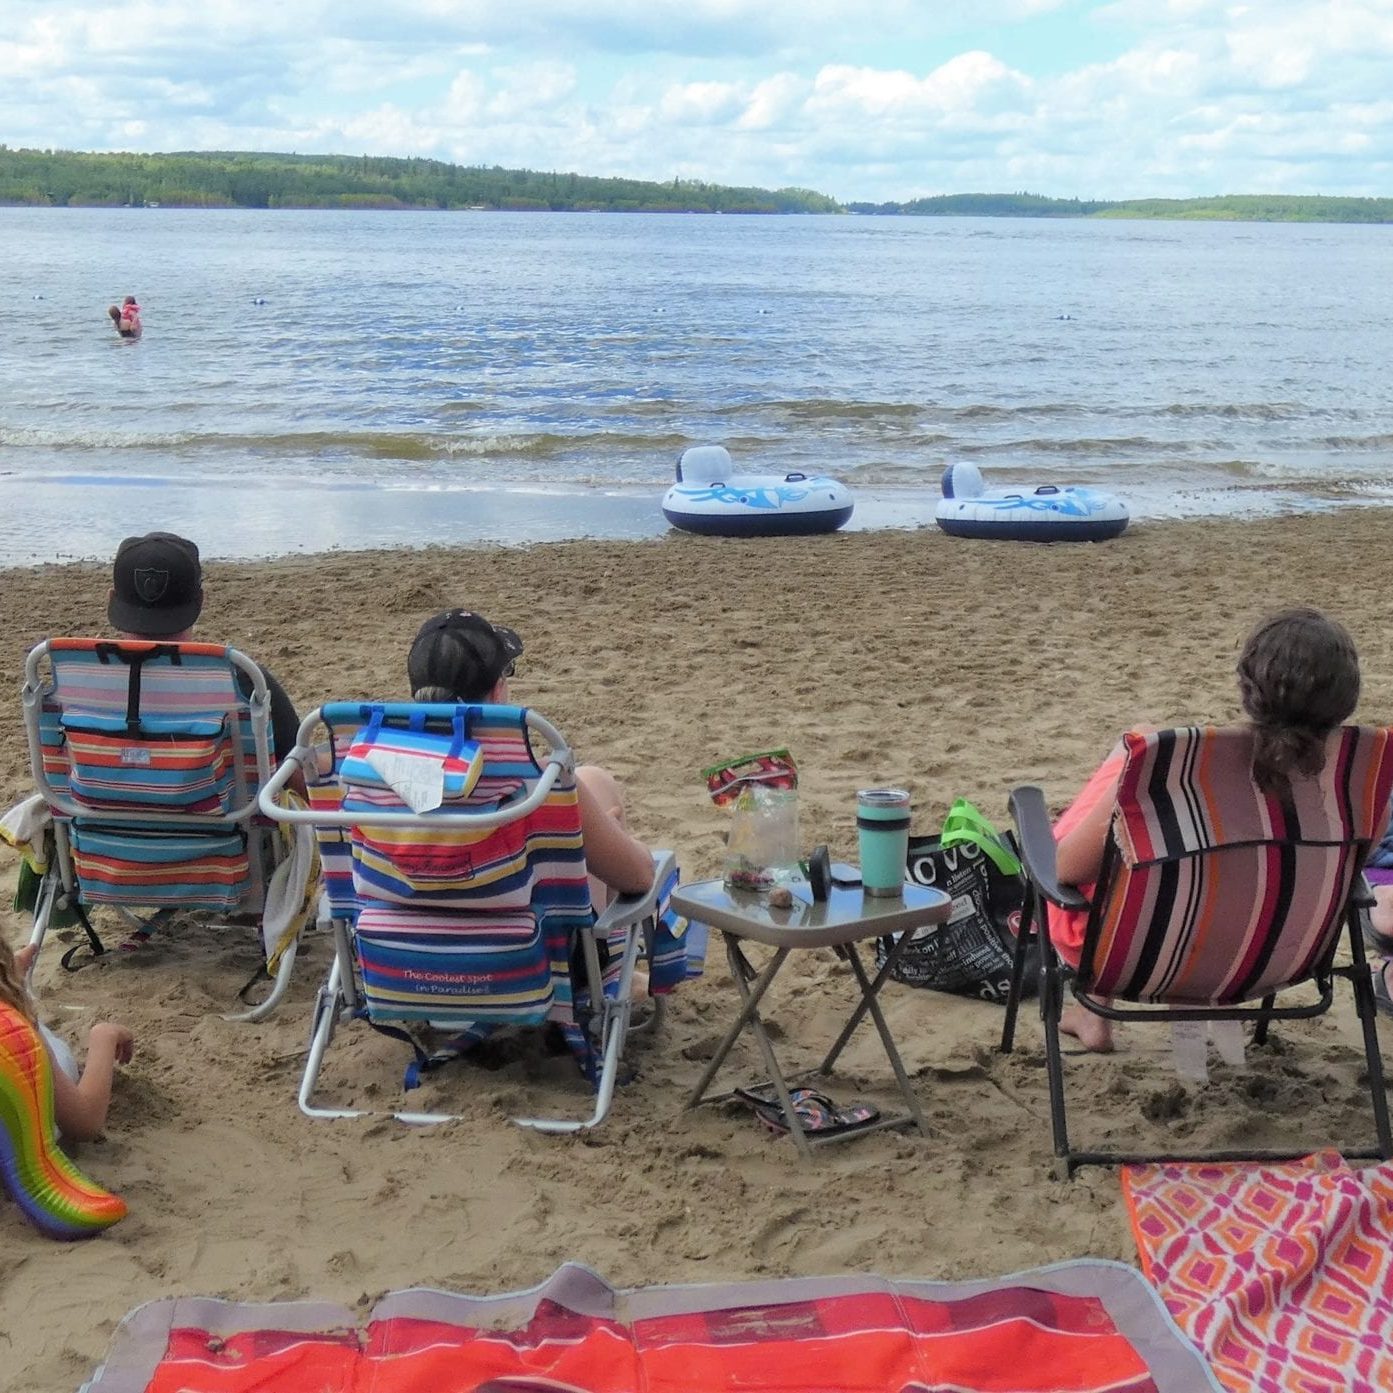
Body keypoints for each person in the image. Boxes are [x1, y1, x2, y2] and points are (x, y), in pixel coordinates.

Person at [1048, 607, 1363, 1053]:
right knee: (1217, 868)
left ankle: (1094, 1014)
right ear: (1347, 699)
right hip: (1281, 955)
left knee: (1133, 761)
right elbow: (1353, 875)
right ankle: (1206, 1032)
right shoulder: (1358, 777)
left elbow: (1064, 869)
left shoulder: (1180, 767)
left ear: (1247, 687)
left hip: (1132, 953)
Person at [406, 609, 654, 907]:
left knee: (592, 784)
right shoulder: (539, 786)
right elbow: (640, 877)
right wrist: (620, 839)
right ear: (498, 693)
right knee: (595, 785)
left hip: (392, 951)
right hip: (532, 950)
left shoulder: (369, 783)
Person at [108, 532, 301, 764]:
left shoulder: (77, 675)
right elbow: (299, 772)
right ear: (200, 601)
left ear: (111, 599)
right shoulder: (240, 680)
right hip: (217, 801)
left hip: (86, 800)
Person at [0, 936, 134, 1142]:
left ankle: (13, 978)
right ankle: (13, 979)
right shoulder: (17, 1030)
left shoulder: (16, 1034)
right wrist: (104, 1037)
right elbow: (83, 1123)